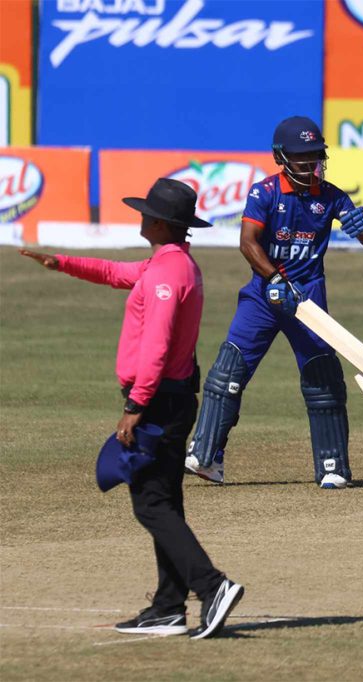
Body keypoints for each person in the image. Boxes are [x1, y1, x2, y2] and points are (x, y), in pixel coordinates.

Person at [20, 178, 243, 639]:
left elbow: (157, 347)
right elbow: (114, 273)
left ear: (161, 223)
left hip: (159, 401)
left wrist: (135, 405)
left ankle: (213, 585)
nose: (140, 219)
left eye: (145, 214)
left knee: (151, 504)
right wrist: (61, 262)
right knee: (165, 503)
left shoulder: (166, 274)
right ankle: (168, 607)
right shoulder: (171, 264)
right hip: (174, 398)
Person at [185, 115, 363, 488]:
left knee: (323, 381)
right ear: (282, 158)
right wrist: (274, 278)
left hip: (308, 301)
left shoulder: (332, 195)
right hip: (263, 296)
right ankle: (206, 457)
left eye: (316, 157)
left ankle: (333, 467)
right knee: (228, 373)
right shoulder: (265, 193)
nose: (311, 166)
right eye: (302, 158)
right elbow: (248, 243)